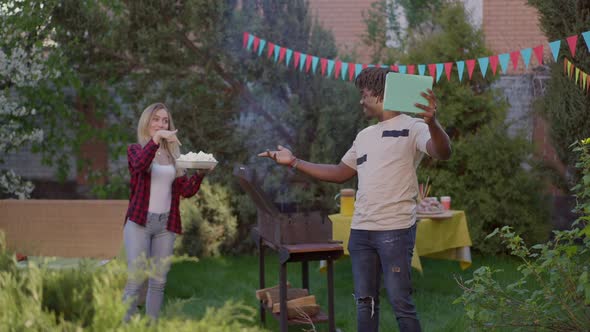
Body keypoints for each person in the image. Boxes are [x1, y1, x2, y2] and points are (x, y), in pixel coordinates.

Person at [258, 67, 451, 332]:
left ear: (381, 93)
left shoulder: (414, 126)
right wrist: (294, 161)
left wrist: (432, 122)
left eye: (364, 93)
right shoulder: (365, 136)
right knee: (364, 302)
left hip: (395, 230)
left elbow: (442, 151)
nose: (360, 100)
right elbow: (340, 173)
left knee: (400, 302)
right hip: (361, 232)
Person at [122, 102, 210, 321]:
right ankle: (123, 326)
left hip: (165, 226)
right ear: (147, 122)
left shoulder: (173, 156)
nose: (161, 124)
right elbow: (141, 166)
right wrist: (155, 140)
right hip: (139, 224)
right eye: (156, 119)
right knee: (135, 280)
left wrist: (200, 173)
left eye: (165, 120)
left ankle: (152, 325)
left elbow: (185, 191)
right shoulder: (136, 150)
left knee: (158, 281)